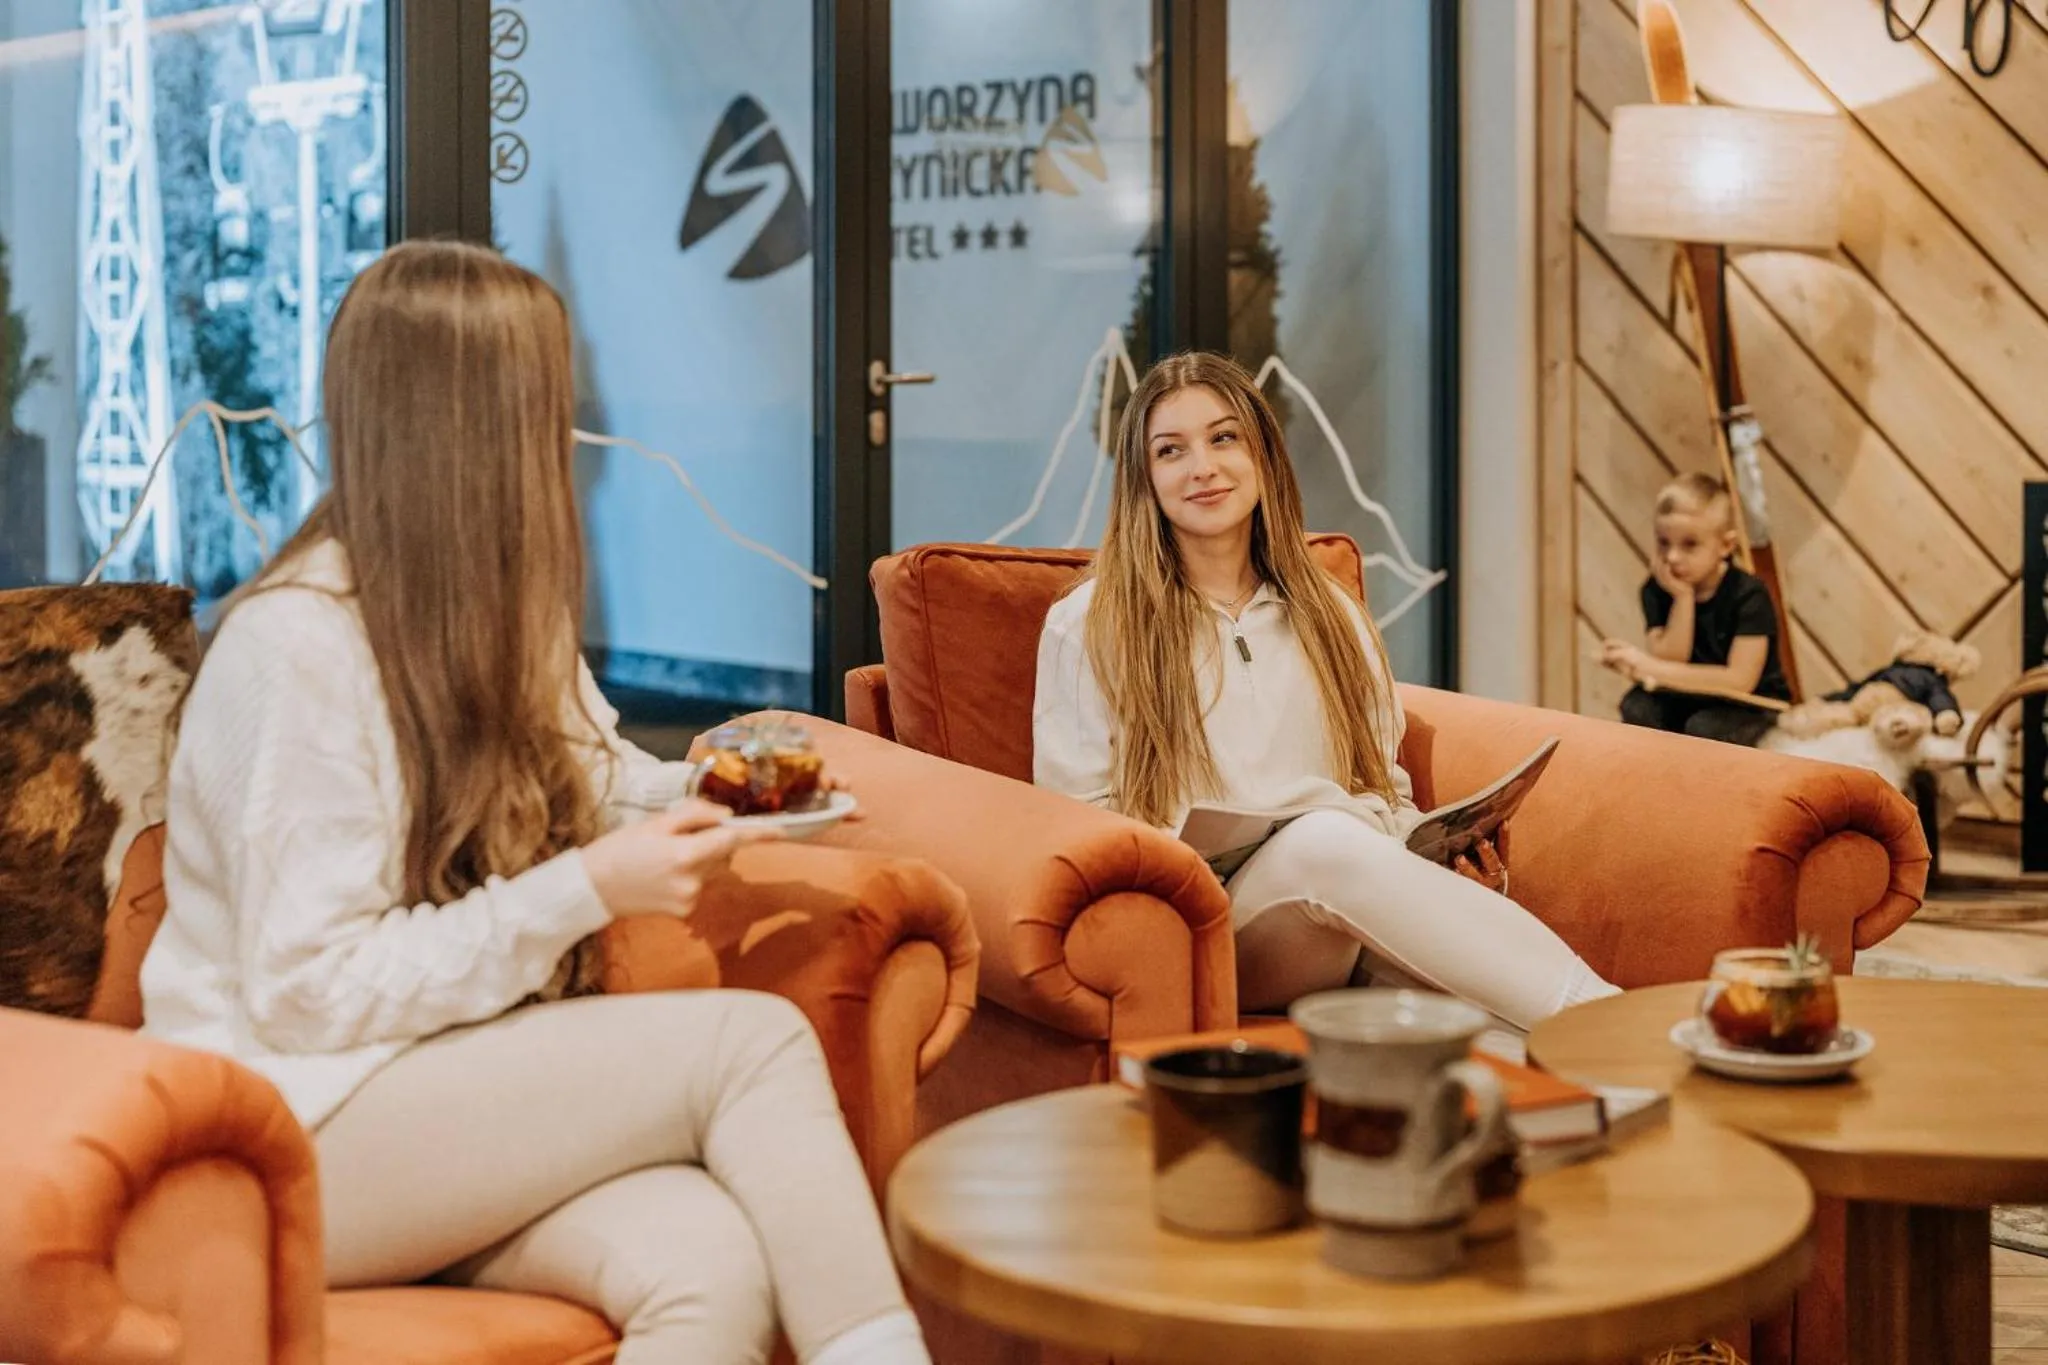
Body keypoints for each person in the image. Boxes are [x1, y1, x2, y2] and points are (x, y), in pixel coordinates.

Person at [139, 242, 930, 1365]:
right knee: (748, 1048)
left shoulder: (497, 611)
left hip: (434, 1094)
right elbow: (309, 993)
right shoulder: (296, 644)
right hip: (281, 1124)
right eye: (545, 402)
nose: (566, 437)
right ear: (472, 425)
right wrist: (585, 890)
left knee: (710, 1265)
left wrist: (740, 793)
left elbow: (599, 782)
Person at [1031, 351, 1617, 1031]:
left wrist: (1434, 863)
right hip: (1210, 925)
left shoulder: (1332, 613)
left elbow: (1384, 790)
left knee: (1486, 1026)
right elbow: (1075, 819)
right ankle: (1609, 1021)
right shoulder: (1091, 622)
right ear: (1144, 479)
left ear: (1263, 454)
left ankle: (1629, 1086)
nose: (1203, 467)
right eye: (1171, 450)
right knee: (1321, 841)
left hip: (1341, 907)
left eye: (1224, 438)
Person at [1602, 472, 1789, 747]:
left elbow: (1740, 680)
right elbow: (1672, 658)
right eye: (1663, 543)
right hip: (1688, 692)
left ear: (1725, 546)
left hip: (1750, 702)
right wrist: (1683, 599)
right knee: (1637, 707)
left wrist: (1648, 666)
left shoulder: (1749, 594)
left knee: (1703, 727)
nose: (1673, 557)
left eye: (1690, 544)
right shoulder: (1656, 589)